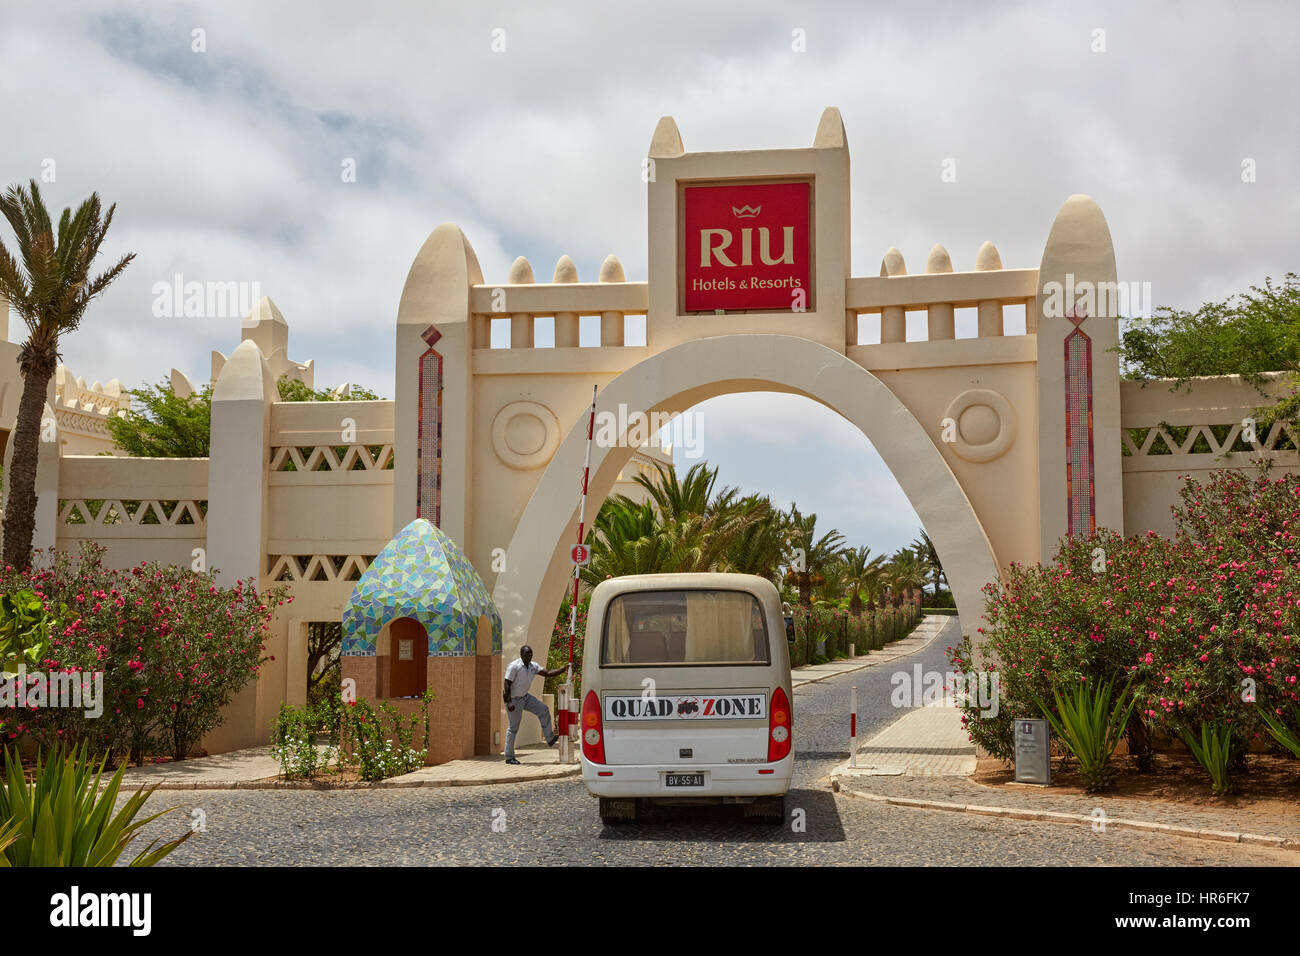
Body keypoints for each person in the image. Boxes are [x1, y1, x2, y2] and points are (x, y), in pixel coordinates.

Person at [502, 646, 570, 764]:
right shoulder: (514, 666)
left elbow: (548, 673)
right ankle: (509, 757)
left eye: (531, 654)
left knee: (543, 709)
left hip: (525, 697)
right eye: (527, 654)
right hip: (514, 700)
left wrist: (563, 669)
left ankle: (549, 738)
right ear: (521, 654)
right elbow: (506, 684)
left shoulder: (533, 666)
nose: (529, 656)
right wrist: (509, 703)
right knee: (513, 728)